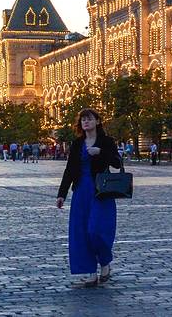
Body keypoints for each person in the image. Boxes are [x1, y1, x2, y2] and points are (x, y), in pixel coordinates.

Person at [56, 108, 122, 287]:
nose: (86, 122)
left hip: (101, 192)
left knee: (96, 230)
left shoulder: (107, 142)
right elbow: (69, 169)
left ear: (98, 121)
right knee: (82, 233)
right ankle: (92, 273)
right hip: (81, 192)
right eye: (83, 119)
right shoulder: (77, 144)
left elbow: (117, 162)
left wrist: (101, 152)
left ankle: (105, 261)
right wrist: (62, 194)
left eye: (89, 119)